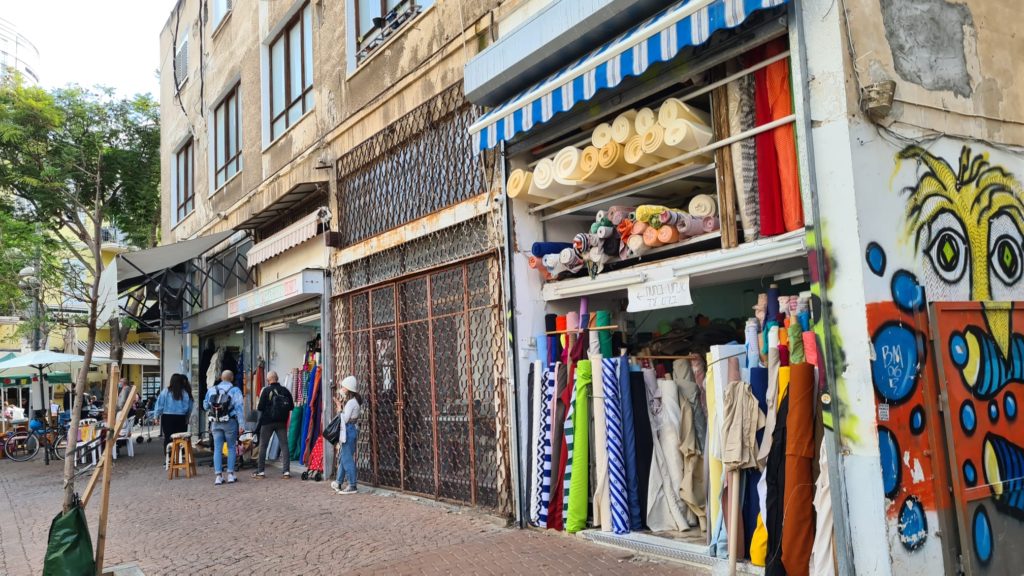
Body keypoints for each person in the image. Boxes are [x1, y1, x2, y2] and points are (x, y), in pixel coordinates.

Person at [203, 370, 245, 485]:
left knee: (217, 448)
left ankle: (218, 476)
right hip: (230, 422)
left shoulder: (212, 389)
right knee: (231, 447)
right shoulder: (235, 390)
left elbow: (205, 405)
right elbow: (239, 408)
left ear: (221, 378)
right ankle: (231, 474)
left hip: (215, 422)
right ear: (231, 378)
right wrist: (242, 425)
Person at [252, 371, 294, 479]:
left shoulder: (266, 391)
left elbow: (260, 407)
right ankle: (286, 472)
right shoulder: (285, 390)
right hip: (281, 422)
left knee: (263, 446)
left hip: (267, 422)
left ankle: (260, 471)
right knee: (284, 446)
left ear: (268, 380)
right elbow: (291, 406)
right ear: (277, 378)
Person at [331, 376, 362, 495]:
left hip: (348, 430)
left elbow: (345, 418)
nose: (342, 389)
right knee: (344, 456)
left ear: (348, 389)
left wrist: (339, 409)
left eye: (343, 387)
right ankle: (339, 481)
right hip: (351, 429)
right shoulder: (354, 401)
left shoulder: (351, 402)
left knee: (347, 458)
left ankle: (352, 484)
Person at [153, 374, 194, 450]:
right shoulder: (185, 393)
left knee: (168, 438)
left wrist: (156, 416)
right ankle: (180, 457)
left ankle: (169, 459)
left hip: (167, 417)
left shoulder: (165, 391)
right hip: (181, 417)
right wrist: (187, 417)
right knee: (180, 438)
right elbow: (189, 407)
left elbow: (159, 405)